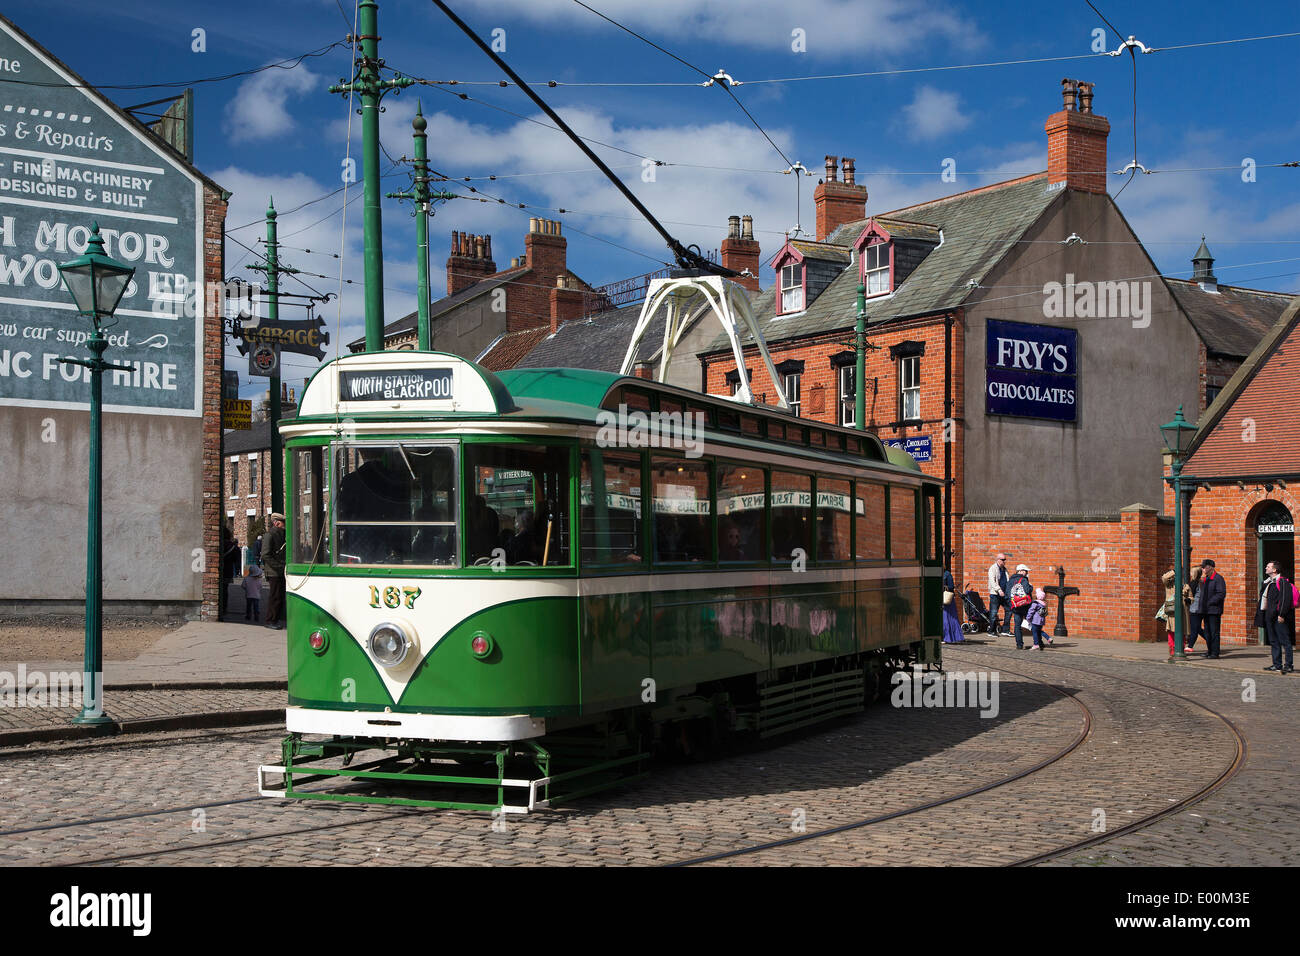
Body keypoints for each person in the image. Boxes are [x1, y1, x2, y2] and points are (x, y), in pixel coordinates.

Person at [1258, 561, 1294, 673]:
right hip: (1270, 616)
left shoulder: (1282, 581)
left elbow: (1285, 599)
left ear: (1274, 570)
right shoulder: (1267, 582)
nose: (1265, 568)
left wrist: (1281, 614)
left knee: (1285, 641)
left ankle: (1288, 665)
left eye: (1268, 567)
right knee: (1274, 641)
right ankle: (1277, 664)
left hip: (1279, 617)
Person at [262, 513, 287, 630]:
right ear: (276, 523)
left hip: (280, 570)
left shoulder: (282, 534)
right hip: (274, 571)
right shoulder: (270, 535)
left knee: (280, 597)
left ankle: (275, 619)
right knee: (275, 597)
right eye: (282, 523)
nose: (284, 525)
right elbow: (265, 555)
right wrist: (279, 566)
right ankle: (270, 620)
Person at [1198, 558, 1226, 659]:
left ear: (1210, 567)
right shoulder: (1206, 579)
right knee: (1207, 632)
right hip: (1205, 610)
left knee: (1214, 632)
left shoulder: (1218, 579)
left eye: (1204, 567)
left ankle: (1215, 652)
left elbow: (1221, 594)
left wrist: (1209, 602)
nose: (1203, 569)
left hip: (1214, 610)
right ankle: (1209, 650)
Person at [1007, 563, 1033, 649]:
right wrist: (1031, 587)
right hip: (1024, 606)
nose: (1026, 573)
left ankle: (1019, 644)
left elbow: (1007, 593)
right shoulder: (1024, 580)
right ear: (1021, 571)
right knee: (1033, 623)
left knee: (1017, 626)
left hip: (1015, 606)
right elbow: (1027, 590)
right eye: (1025, 571)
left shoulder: (1010, 580)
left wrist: (1011, 604)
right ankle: (1038, 641)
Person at [1160, 568, 1183, 656]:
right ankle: (1172, 647)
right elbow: (1164, 578)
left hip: (1182, 611)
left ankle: (1181, 647)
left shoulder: (1183, 584)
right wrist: (1174, 571)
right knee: (1171, 630)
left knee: (1182, 630)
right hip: (1172, 610)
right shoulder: (1169, 584)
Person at [987, 553, 1010, 637]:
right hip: (995, 594)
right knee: (993, 613)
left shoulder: (1005, 569)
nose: (1004, 561)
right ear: (998, 560)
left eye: (1005, 560)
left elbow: (1007, 580)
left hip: (1004, 594)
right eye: (1003, 560)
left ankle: (1005, 630)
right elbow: (992, 581)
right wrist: (999, 590)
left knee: (1009, 610)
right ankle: (991, 631)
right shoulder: (993, 568)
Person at [1183, 565, 1204, 652]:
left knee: (1194, 628)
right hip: (1200, 609)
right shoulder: (1201, 583)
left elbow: (1190, 596)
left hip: (1195, 609)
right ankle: (1211, 641)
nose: (1190, 573)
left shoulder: (1194, 583)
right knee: (1197, 628)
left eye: (1192, 572)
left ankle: (1190, 645)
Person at [941, 567, 964, 643]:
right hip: (940, 599)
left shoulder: (947, 574)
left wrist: (944, 587)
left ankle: (948, 637)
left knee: (947, 619)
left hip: (947, 600)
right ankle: (943, 636)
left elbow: (951, 586)